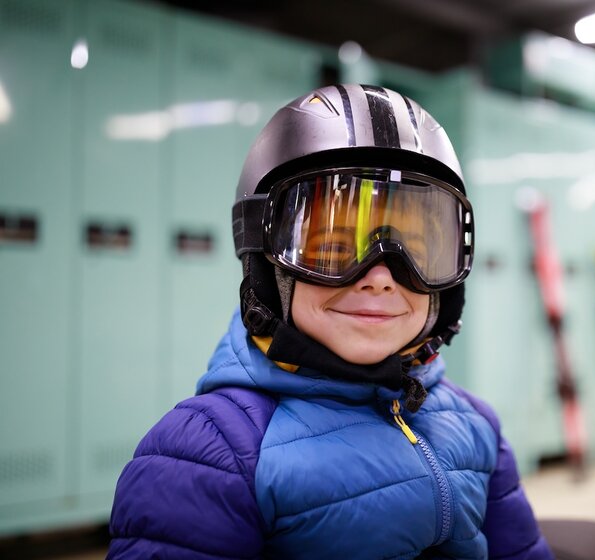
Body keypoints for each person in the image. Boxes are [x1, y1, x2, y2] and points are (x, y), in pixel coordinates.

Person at [107, 84, 554, 559]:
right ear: (267, 264)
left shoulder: (473, 423)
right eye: (335, 249)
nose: (381, 278)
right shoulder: (208, 452)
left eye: (416, 253)